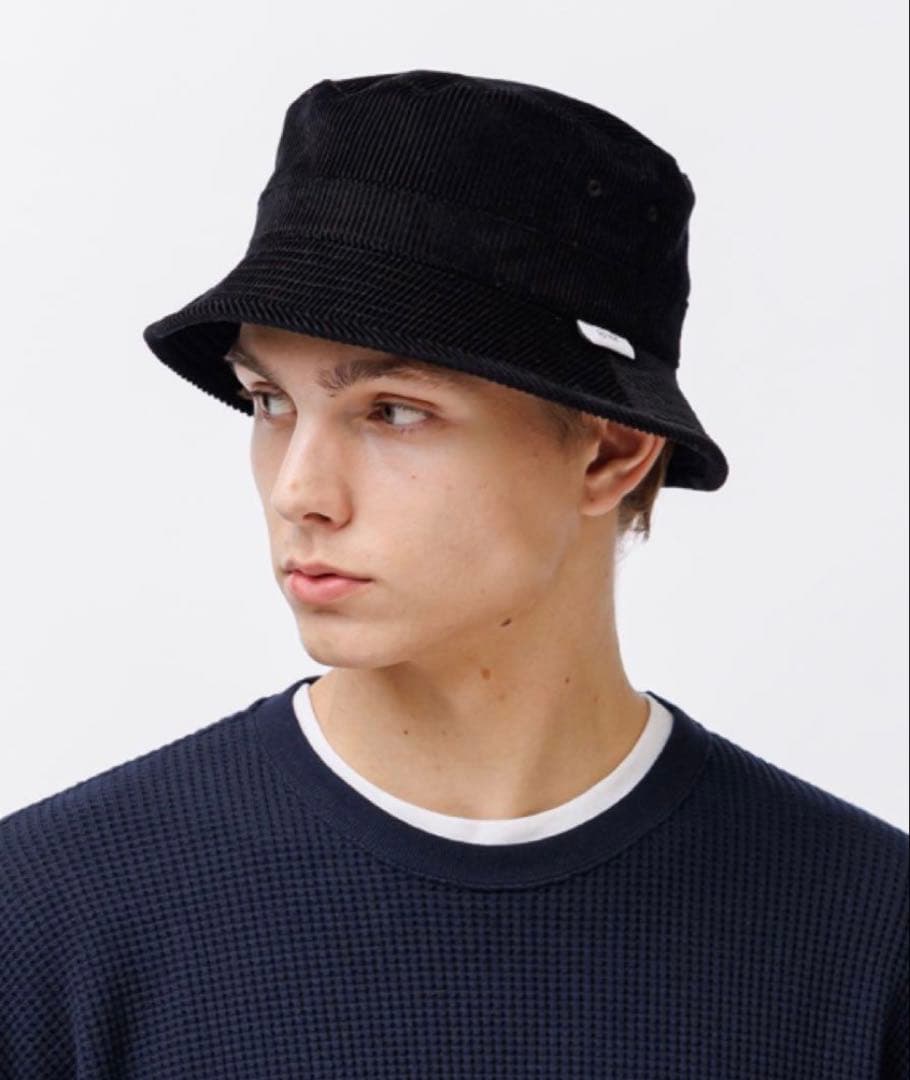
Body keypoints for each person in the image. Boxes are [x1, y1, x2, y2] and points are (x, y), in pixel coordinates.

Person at [1, 68, 906, 1079]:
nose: (300, 491)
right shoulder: (47, 916)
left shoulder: (867, 937)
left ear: (609, 453)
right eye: (269, 402)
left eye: (393, 411)